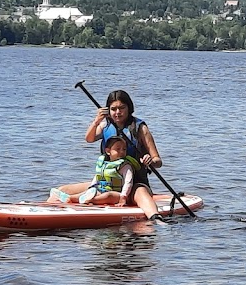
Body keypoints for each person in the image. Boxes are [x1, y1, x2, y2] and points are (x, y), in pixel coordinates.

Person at [48, 89, 166, 222]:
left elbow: (158, 161)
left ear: (129, 108)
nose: (117, 112)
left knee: (142, 193)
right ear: (108, 110)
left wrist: (150, 161)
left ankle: (156, 219)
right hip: (107, 184)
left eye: (122, 108)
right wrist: (96, 121)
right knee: (63, 189)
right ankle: (48, 210)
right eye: (113, 109)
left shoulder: (140, 128)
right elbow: (89, 139)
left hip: (134, 184)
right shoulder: (105, 125)